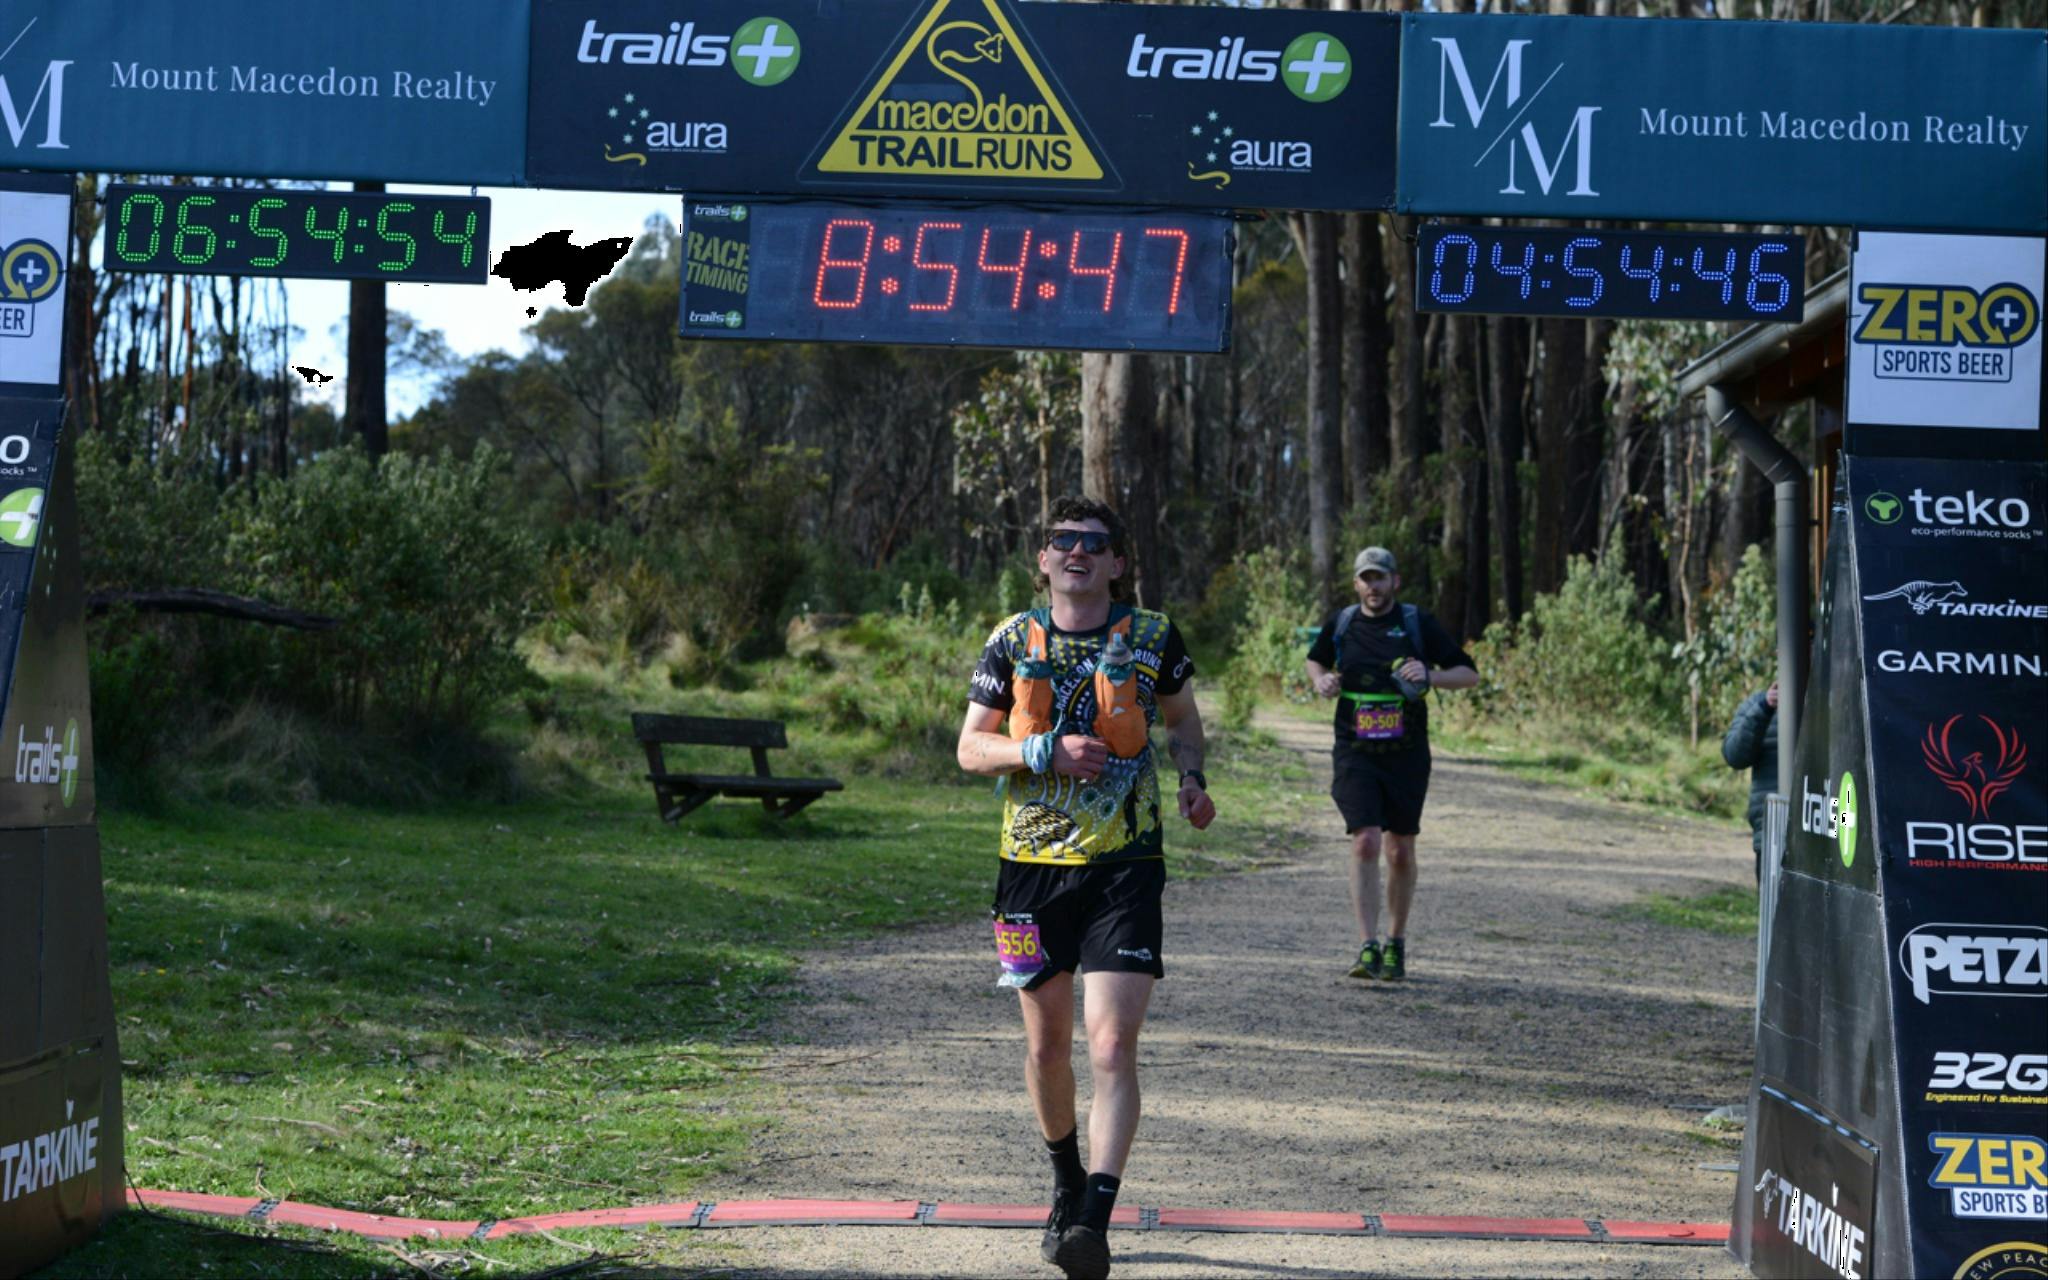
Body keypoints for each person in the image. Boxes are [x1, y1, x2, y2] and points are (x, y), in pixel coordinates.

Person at [956, 496, 1214, 1280]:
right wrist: (1043, 755)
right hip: (1029, 871)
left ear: (1116, 564)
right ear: (1043, 559)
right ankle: (1065, 1181)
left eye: (1093, 543)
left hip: (1126, 866)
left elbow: (1184, 722)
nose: (1076, 552)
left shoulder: (1153, 636)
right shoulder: (1012, 638)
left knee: (1110, 1043)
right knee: (1045, 1047)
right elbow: (971, 749)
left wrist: (1192, 779)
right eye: (1062, 541)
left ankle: (1093, 1223)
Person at [1303, 547, 1477, 982]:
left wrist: (1430, 675)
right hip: (1355, 750)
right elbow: (1316, 658)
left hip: (1407, 753)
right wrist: (1320, 679)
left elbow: (1468, 674)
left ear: (1394, 581)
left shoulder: (1416, 624)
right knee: (1365, 841)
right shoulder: (1343, 622)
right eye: (1366, 578)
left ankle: (1396, 943)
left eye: (1380, 578)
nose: (1373, 586)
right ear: (1356, 583)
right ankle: (1367, 946)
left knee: (1399, 850)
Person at [1721, 681, 1779, 882]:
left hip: (1829, 826)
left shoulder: (1835, 700)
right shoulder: (1758, 704)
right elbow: (1734, 756)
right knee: (1772, 909)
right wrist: (1764, 708)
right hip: (1771, 829)